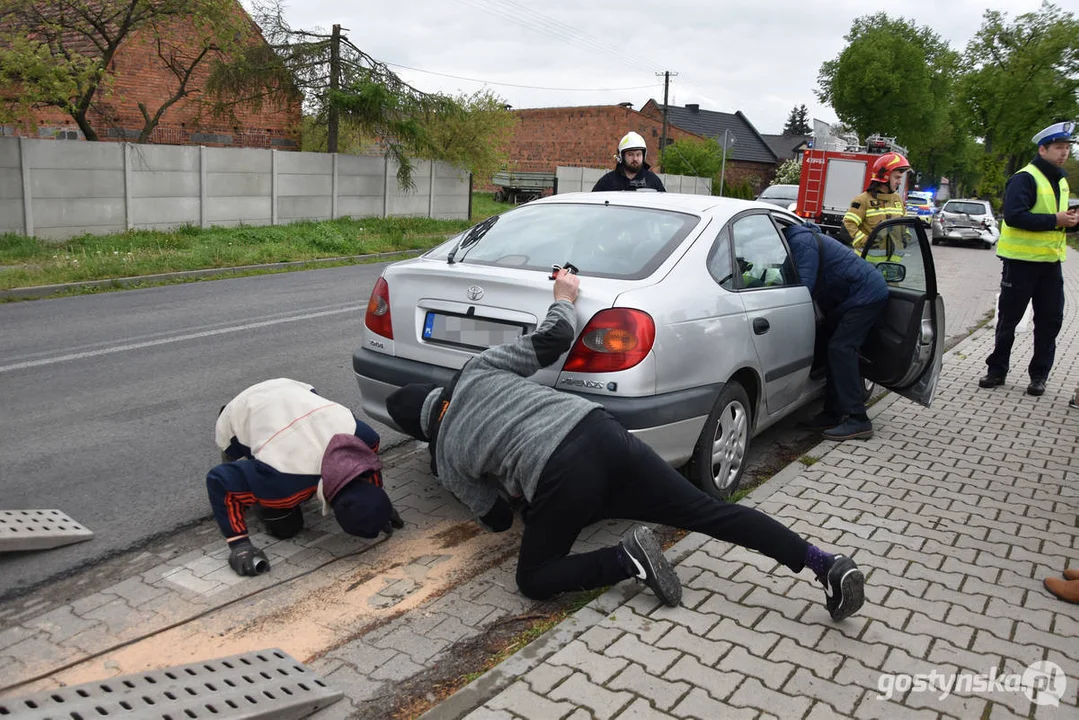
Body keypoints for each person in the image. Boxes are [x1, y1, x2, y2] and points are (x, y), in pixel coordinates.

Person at [384, 270, 867, 622]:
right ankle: (823, 563)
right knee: (709, 513)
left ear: (422, 431)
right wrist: (563, 295)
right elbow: (553, 339)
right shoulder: (478, 369)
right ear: (436, 392)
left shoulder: (446, 459)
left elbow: (497, 518)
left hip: (560, 475)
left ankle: (627, 559)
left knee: (532, 578)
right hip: (600, 431)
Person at [208, 378, 400, 576]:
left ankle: (258, 462)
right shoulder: (284, 484)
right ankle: (250, 469)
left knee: (284, 497)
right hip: (241, 412)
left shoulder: (367, 441)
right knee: (286, 528)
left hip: (294, 390)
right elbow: (218, 480)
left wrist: (378, 508)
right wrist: (239, 545)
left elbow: (369, 468)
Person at [979, 121, 1078, 397]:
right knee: (1009, 320)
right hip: (1020, 264)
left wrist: (1071, 222)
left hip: (1050, 265)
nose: (1064, 153)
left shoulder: (1060, 180)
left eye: (1068, 149)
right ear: (1043, 149)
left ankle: (1039, 377)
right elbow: (1014, 216)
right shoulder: (1025, 177)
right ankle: (996, 371)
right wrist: (1055, 219)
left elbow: (1057, 221)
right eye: (1059, 148)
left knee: (1049, 321)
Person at [784, 222, 889, 441]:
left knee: (841, 349)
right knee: (835, 349)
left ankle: (858, 419)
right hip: (851, 296)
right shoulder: (797, 239)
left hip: (865, 295)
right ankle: (833, 412)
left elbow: (804, 286)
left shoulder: (801, 243)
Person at [842, 152, 911, 259]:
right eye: (897, 177)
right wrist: (864, 240)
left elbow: (904, 223)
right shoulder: (863, 200)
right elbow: (848, 225)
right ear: (885, 177)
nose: (900, 182)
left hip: (893, 265)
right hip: (867, 264)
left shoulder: (898, 200)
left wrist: (906, 236)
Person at [592, 131, 666, 192]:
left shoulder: (652, 180)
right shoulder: (607, 181)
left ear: (643, 156)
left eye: (638, 154)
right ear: (622, 156)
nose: (635, 159)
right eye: (630, 155)